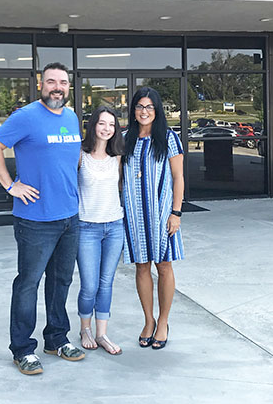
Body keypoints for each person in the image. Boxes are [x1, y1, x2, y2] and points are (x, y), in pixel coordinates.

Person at [0, 62, 85, 376]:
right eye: (52, 81)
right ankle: (22, 350)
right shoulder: (25, 116)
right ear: (41, 84)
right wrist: (10, 185)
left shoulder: (71, 117)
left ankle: (56, 339)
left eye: (63, 82)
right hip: (35, 220)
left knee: (61, 281)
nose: (57, 87)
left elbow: (74, 159)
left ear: (69, 87)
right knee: (28, 284)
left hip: (70, 216)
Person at [122, 87, 184, 350]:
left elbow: (179, 177)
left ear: (156, 110)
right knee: (142, 266)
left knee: (164, 266)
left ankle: (163, 321)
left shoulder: (169, 138)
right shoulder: (124, 139)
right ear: (133, 110)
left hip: (162, 214)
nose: (144, 111)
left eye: (149, 107)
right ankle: (148, 320)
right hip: (134, 215)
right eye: (139, 106)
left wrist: (176, 212)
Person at [77, 105, 125, 355]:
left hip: (115, 226)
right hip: (86, 228)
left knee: (106, 283)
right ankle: (84, 328)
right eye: (102, 123)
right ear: (93, 125)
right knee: (89, 284)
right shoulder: (80, 155)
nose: (107, 128)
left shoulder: (117, 157)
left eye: (111, 124)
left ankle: (102, 334)